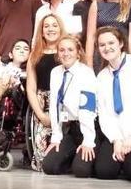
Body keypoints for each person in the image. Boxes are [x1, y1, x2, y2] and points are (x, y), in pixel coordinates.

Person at [92, 27, 131, 181]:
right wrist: (116, 140)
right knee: (104, 171)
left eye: (111, 42)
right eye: (102, 45)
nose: (107, 48)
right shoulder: (101, 77)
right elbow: (104, 114)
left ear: (120, 43)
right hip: (116, 134)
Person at [41, 35, 97, 178]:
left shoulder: (86, 73)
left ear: (78, 52)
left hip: (88, 127)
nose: (66, 53)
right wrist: (56, 137)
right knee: (49, 166)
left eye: (70, 50)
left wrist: (88, 141)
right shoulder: (56, 72)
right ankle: (72, 156)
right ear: (58, 53)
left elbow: (88, 109)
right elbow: (54, 105)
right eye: (62, 50)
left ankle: (84, 157)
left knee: (81, 171)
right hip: (70, 129)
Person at [85, 0, 131, 73]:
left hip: (123, 57)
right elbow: (90, 38)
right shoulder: (97, 4)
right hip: (100, 57)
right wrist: (89, 65)